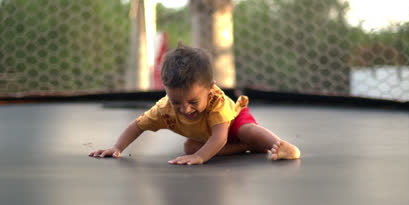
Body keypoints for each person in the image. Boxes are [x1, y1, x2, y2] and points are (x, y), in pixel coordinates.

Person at [89, 44, 300, 165]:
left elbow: (220, 137)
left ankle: (282, 146)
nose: (185, 109)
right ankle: (245, 148)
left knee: (248, 130)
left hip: (231, 124)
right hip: (209, 136)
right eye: (176, 101)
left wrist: (201, 156)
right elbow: (137, 125)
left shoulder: (216, 103)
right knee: (189, 147)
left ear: (210, 88)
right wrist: (117, 147)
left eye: (193, 102)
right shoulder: (164, 110)